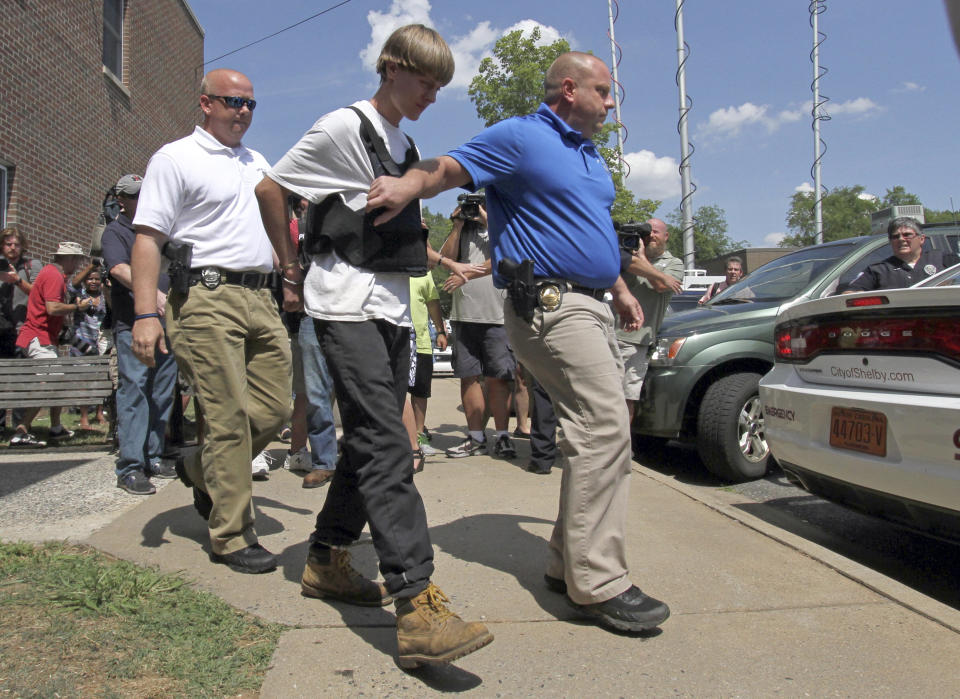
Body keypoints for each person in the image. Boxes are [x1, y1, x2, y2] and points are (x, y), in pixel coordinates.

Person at [366, 51, 671, 635]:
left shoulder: (588, 156)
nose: (612, 104)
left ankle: (568, 565)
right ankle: (598, 582)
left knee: (596, 432)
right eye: (604, 92)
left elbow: (588, 230)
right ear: (567, 89)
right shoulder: (522, 137)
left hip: (591, 303)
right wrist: (408, 183)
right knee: (605, 428)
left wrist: (620, 289)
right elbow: (450, 166)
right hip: (552, 307)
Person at [255, 24, 493, 668]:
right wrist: (290, 266)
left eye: (441, 86)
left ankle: (330, 558)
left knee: (370, 442)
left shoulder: (404, 142)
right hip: (343, 302)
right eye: (424, 81)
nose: (432, 95)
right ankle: (416, 604)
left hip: (390, 306)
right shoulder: (342, 126)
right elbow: (271, 188)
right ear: (390, 68)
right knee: (390, 443)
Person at [131, 69, 292, 574]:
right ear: (205, 103)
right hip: (204, 297)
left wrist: (290, 275)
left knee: (274, 410)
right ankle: (230, 535)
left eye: (250, 104)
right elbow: (148, 238)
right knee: (225, 419)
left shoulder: (257, 162)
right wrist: (144, 313)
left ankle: (197, 468)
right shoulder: (175, 157)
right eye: (232, 102)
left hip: (260, 298)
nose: (242, 111)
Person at [101, 173, 178, 495]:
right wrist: (155, 296)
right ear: (122, 200)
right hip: (133, 324)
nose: (144, 199)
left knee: (162, 392)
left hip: (167, 325)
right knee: (134, 392)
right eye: (137, 196)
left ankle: (153, 455)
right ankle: (130, 467)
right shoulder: (115, 232)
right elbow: (118, 270)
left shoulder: (159, 232)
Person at [439, 202, 518, 459]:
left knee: (499, 378)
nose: (474, 210)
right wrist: (458, 225)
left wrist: (487, 220)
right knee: (468, 376)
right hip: (464, 316)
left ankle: (503, 436)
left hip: (497, 317)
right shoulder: (462, 232)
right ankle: (475, 438)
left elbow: (507, 254)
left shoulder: (502, 229)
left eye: (480, 205)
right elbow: (445, 260)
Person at [12, 242, 97, 446]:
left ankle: (56, 428)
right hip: (37, 336)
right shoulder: (53, 276)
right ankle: (21, 430)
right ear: (68, 258)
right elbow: (52, 308)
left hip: (43, 337)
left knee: (58, 380)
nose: (77, 264)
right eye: (76, 259)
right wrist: (77, 307)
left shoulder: (54, 274)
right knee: (50, 382)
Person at [618, 218, 683, 423]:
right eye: (648, 232)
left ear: (666, 236)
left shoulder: (674, 263)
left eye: (656, 232)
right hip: (611, 333)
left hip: (638, 340)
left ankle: (623, 447)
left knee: (628, 397)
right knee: (605, 395)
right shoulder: (627, 256)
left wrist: (641, 258)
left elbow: (660, 286)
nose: (651, 235)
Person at [0, 227, 43, 432]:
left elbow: (38, 293)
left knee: (21, 379)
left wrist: (17, 280)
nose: (13, 248)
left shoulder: (31, 266)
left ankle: (20, 425)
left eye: (17, 244)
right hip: (2, 330)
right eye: (8, 244)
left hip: (22, 330)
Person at [844, 217, 951, 292]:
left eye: (907, 235)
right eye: (895, 237)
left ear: (921, 239)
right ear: (890, 241)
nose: (901, 239)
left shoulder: (942, 258)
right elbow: (850, 294)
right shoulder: (877, 270)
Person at [408, 270, 447, 458]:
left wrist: (441, 331)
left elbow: (433, 303)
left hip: (421, 343)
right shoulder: (388, 267)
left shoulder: (424, 273)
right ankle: (400, 438)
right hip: (395, 342)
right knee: (393, 394)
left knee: (420, 393)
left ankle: (419, 436)